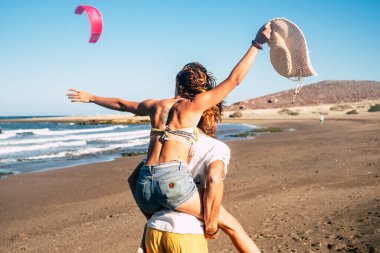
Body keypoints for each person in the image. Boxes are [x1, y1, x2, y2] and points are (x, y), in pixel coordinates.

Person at [67, 22, 270, 252]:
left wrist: (91, 97)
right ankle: (210, 229)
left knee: (159, 211)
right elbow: (234, 80)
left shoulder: (156, 105)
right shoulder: (195, 105)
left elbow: (123, 104)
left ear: (177, 84)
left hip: (144, 186)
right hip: (171, 182)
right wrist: (257, 43)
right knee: (226, 222)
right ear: (199, 88)